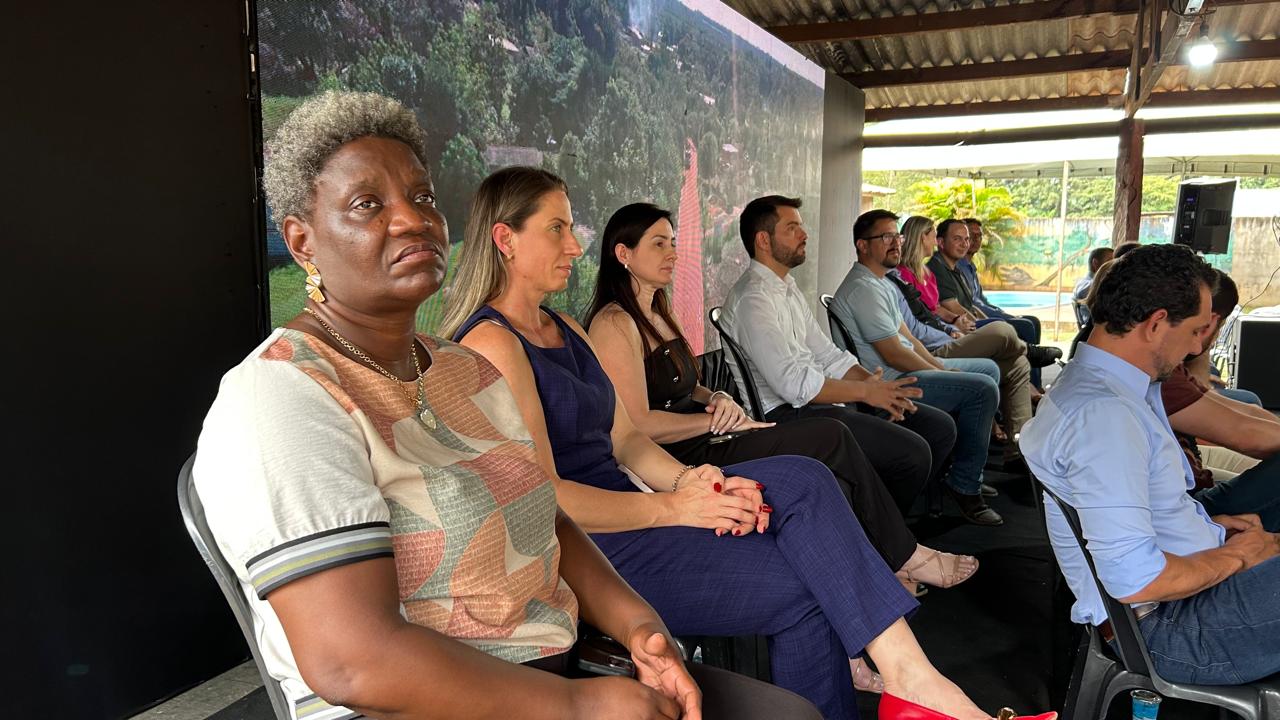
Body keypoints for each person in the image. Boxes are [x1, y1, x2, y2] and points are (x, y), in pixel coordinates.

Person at [193, 91, 821, 720]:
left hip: (560, 665)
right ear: (302, 242)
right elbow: (353, 662)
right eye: (367, 204)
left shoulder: (462, 368)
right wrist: (577, 706)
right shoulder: (282, 396)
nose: (412, 219)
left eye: (422, 198)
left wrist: (639, 627)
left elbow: (545, 514)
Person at [440, 167, 1021, 720]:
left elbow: (625, 440)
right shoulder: (493, 343)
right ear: (505, 239)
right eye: (556, 229)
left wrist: (692, 483)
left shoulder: (565, 328)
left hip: (640, 508)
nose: (574, 245)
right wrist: (675, 506)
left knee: (807, 476)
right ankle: (912, 685)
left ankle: (911, 679)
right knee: (813, 587)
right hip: (593, 550)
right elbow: (546, 498)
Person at [585, 202, 978, 596]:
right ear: (624, 253)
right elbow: (637, 424)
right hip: (677, 455)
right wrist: (715, 420)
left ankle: (887, 559)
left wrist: (718, 397)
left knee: (845, 442)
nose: (673, 253)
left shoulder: (657, 311)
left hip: (712, 432)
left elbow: (688, 387)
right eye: (659, 244)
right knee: (834, 435)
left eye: (672, 243)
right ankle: (902, 556)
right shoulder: (615, 323)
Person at [1023, 243, 1280, 687]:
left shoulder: (1105, 385)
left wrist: (1208, 530)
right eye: (1197, 330)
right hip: (1171, 628)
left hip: (1180, 589)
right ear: (1157, 323)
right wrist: (1237, 555)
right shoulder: (1104, 416)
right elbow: (1136, 581)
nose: (1199, 345)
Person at [718, 196, 959, 517]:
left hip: (815, 402)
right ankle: (881, 533)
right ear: (763, 240)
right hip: (786, 416)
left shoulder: (785, 288)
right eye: (792, 228)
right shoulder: (753, 299)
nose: (804, 235)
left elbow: (828, 355)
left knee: (938, 427)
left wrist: (875, 386)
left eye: (801, 227)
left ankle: (883, 520)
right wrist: (864, 393)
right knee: (912, 454)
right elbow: (794, 385)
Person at [831, 209, 1003, 526]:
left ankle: (962, 468)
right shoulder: (863, 289)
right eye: (886, 237)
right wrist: (941, 372)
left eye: (897, 236)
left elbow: (909, 338)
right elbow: (895, 355)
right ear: (862, 245)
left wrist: (940, 367)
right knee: (983, 388)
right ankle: (964, 485)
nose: (896, 243)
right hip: (894, 380)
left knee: (988, 370)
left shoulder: (881, 283)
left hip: (909, 369)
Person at [1163, 270, 1280, 531]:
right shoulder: (1155, 373)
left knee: (1250, 403)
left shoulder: (1164, 365)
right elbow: (1243, 433)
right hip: (1187, 505)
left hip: (1191, 483)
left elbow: (1237, 412)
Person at [930, 220, 1061, 388]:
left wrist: (987, 320)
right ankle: (1029, 353)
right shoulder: (938, 268)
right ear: (940, 242)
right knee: (1014, 328)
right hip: (957, 328)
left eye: (966, 239)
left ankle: (1034, 389)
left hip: (968, 323)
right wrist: (982, 325)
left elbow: (973, 304)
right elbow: (953, 307)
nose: (965, 244)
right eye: (957, 239)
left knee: (1017, 353)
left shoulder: (956, 269)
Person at [899, 216, 971, 329]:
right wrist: (950, 329)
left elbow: (936, 309)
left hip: (942, 328)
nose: (936, 243)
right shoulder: (903, 274)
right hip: (928, 333)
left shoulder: (928, 274)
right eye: (934, 237)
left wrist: (956, 319)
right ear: (923, 237)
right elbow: (917, 317)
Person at [1071, 246, 1114, 324]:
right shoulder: (1088, 286)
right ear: (1095, 263)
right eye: (1110, 261)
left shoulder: (1085, 283)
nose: (1114, 265)